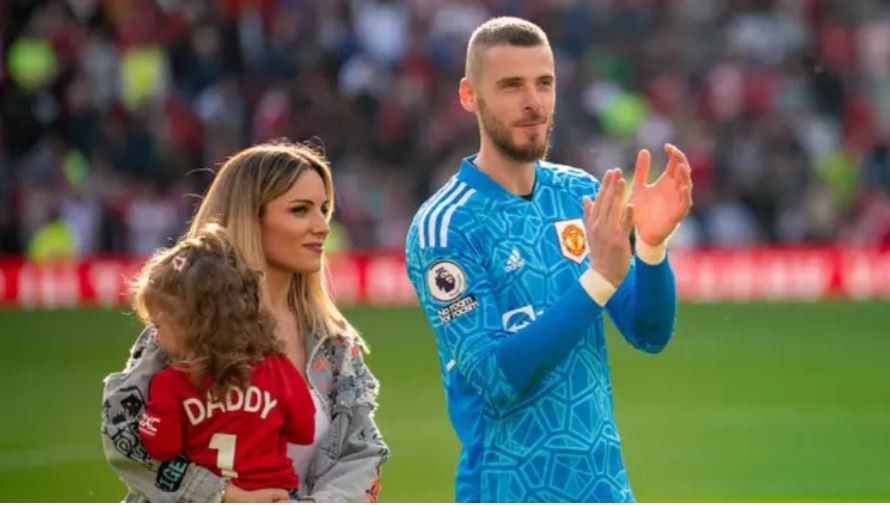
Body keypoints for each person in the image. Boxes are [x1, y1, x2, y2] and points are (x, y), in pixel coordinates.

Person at [405, 17, 693, 502]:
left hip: (605, 488)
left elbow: (650, 332)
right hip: (507, 489)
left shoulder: (578, 193)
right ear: (470, 96)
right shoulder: (446, 226)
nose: (533, 102)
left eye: (544, 83)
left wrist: (651, 248)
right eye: (511, 85)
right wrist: (597, 281)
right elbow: (497, 377)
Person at [102, 141, 389, 502]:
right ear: (250, 218)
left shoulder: (333, 342)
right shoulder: (184, 324)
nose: (322, 226)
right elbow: (125, 435)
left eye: (325, 209)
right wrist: (224, 495)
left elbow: (362, 453)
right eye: (300, 210)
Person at [132, 224, 316, 500]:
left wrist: (149, 419)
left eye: (158, 325)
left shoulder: (169, 383)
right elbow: (303, 431)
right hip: (276, 495)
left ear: (192, 326)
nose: (155, 337)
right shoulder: (278, 369)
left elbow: (162, 447)